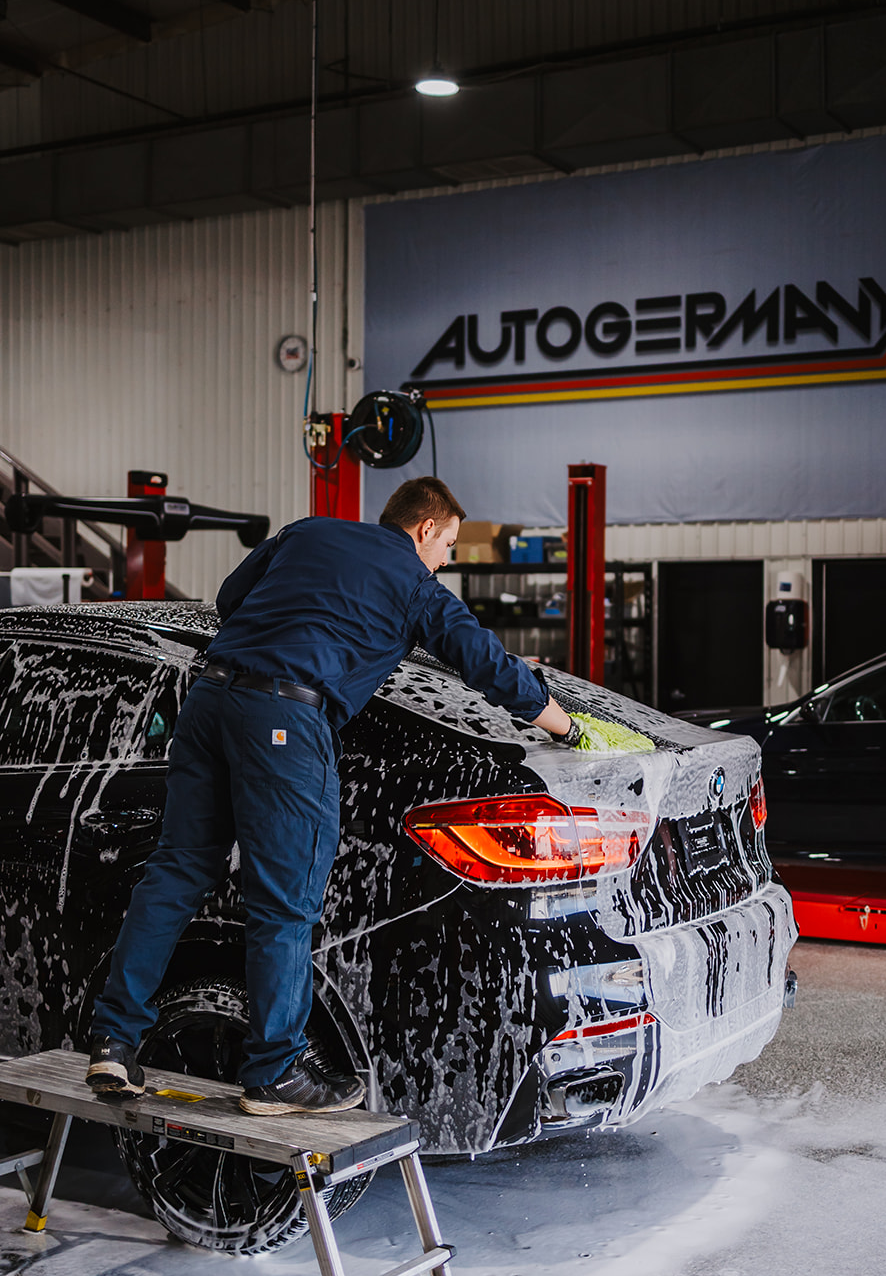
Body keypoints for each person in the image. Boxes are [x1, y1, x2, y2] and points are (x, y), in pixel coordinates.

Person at [87, 476, 573, 1115]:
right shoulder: (415, 585)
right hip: (286, 720)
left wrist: (293, 629)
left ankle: (113, 1041)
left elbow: (231, 598)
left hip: (209, 701)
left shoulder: (308, 532)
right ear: (425, 528)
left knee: (175, 871)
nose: (446, 559)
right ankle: (273, 1073)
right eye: (448, 545)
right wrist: (565, 725)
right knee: (283, 904)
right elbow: (484, 661)